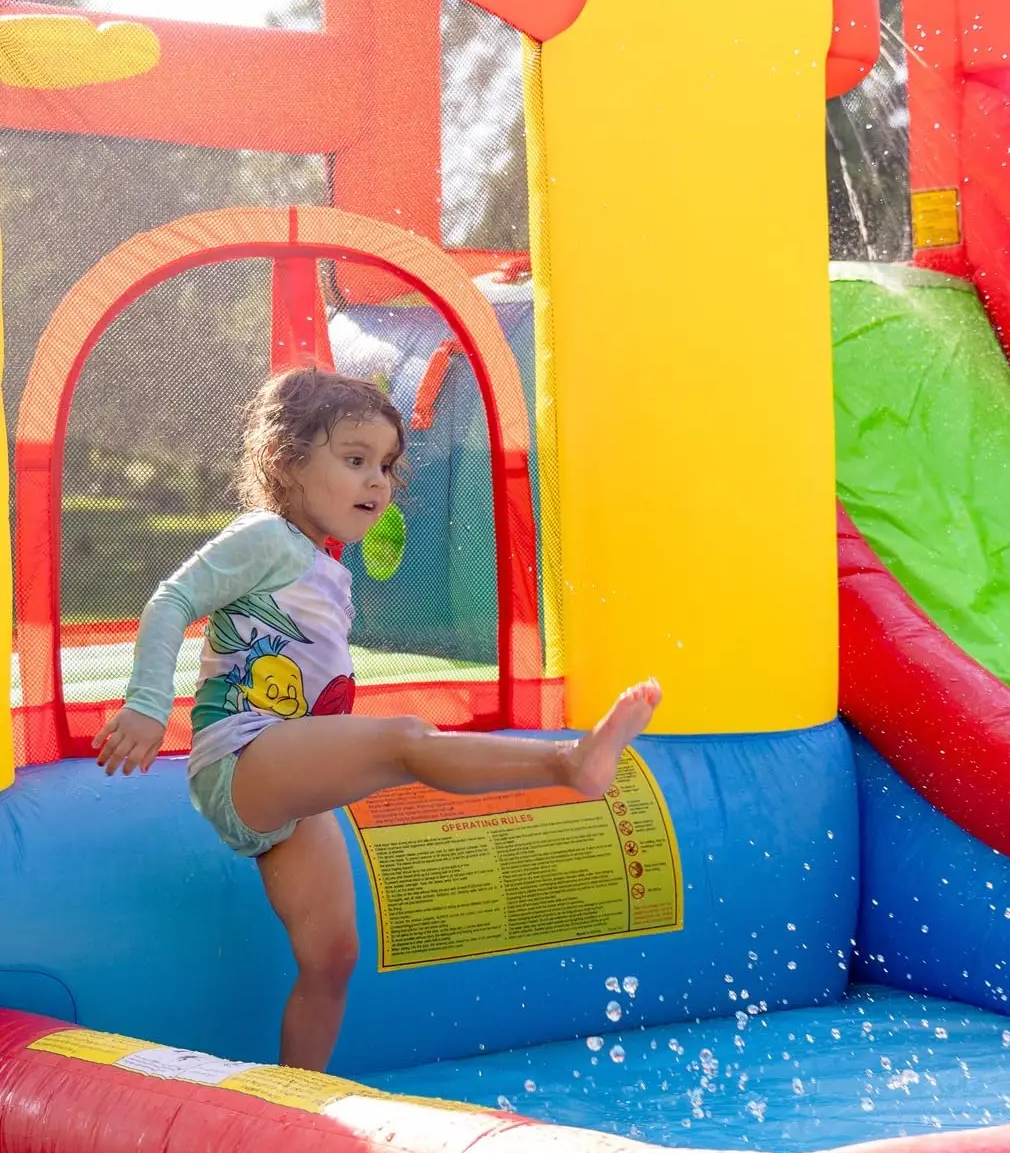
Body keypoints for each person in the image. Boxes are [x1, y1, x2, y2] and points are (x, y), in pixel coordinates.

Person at [94, 368, 662, 1072]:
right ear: (285, 460)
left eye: (387, 466)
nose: (378, 483)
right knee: (403, 742)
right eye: (355, 460)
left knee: (333, 958)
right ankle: (568, 765)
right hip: (243, 757)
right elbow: (171, 601)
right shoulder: (266, 537)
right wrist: (149, 704)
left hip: (285, 787)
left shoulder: (318, 561)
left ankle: (295, 1101)